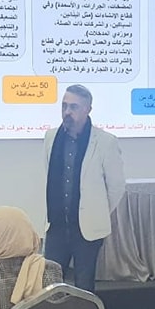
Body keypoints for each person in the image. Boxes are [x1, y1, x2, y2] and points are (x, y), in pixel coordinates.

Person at [43, 84, 125, 292]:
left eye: (74, 107)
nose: (67, 112)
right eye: (64, 106)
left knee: (84, 285)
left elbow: (116, 187)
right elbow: (48, 177)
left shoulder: (105, 142)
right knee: (51, 284)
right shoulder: (51, 137)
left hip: (86, 229)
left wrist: (96, 212)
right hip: (56, 226)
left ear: (88, 109)